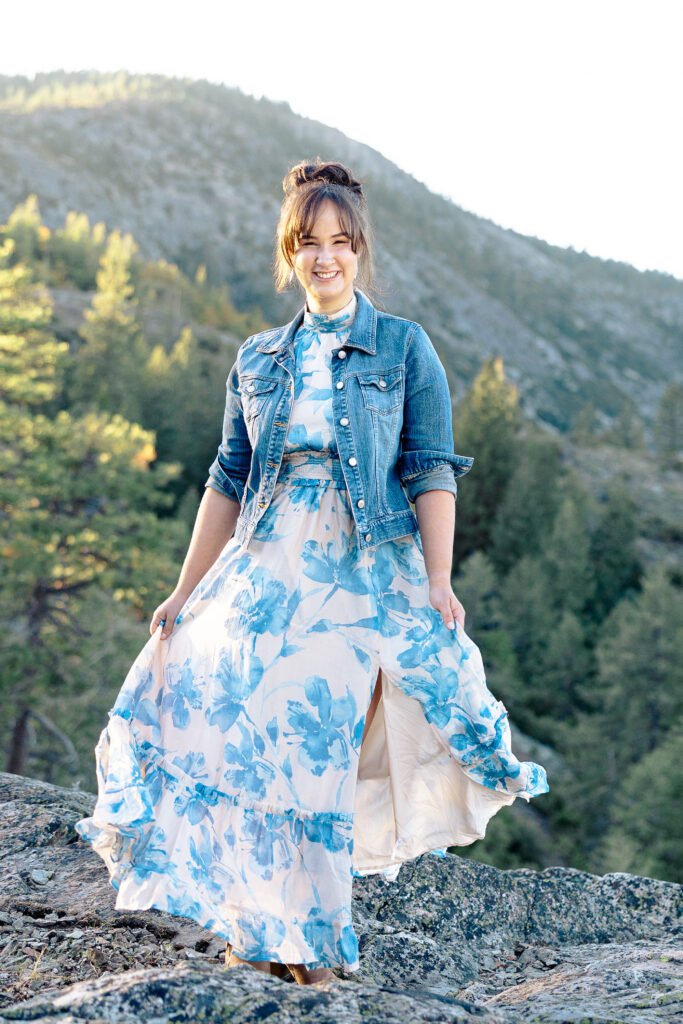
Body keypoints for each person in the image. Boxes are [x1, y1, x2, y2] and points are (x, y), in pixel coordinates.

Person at [75, 157, 549, 988]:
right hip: (263, 568)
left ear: (358, 250)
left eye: (339, 242)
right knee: (236, 732)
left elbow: (431, 468)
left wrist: (437, 581)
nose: (323, 257)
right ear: (289, 253)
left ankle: (309, 945)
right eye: (307, 242)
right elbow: (226, 479)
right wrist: (186, 591)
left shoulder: (403, 347)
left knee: (311, 748)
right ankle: (255, 929)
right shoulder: (258, 357)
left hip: (360, 571)